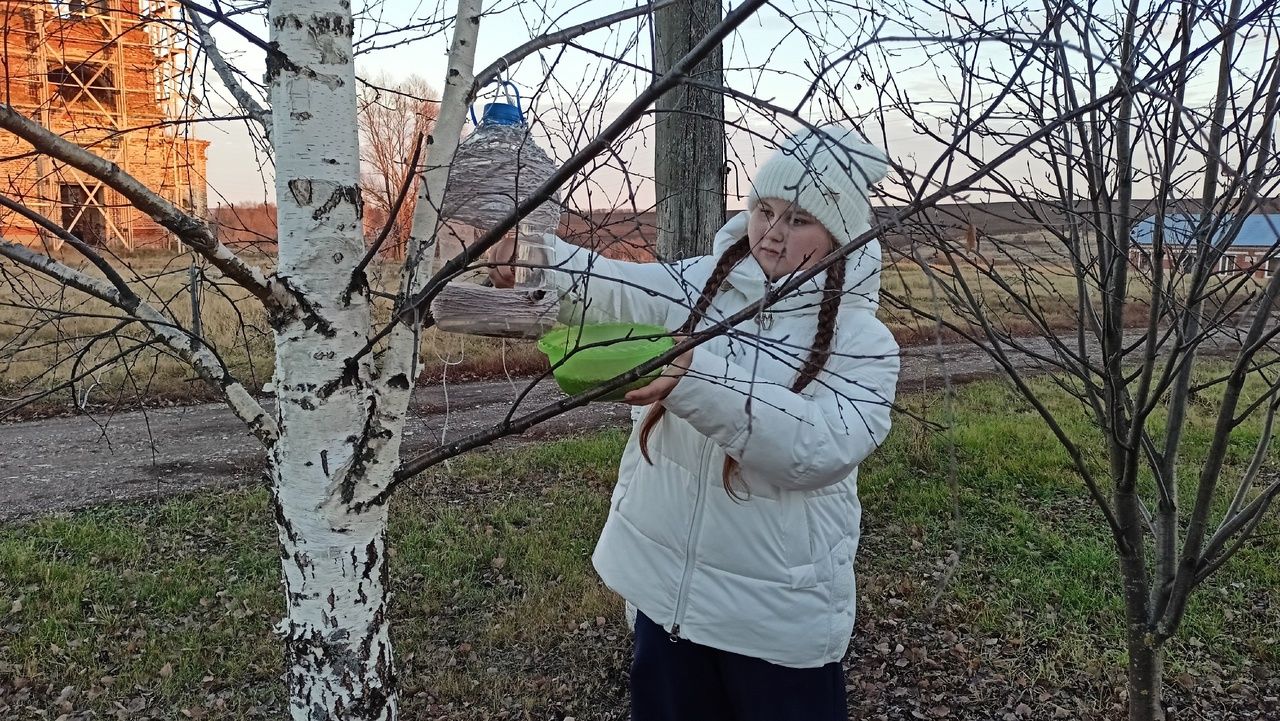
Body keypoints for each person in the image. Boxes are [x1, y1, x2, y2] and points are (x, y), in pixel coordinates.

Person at [488, 125, 899, 721]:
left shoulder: (862, 343)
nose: (775, 235)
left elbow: (817, 447)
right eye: (765, 210)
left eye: (800, 220)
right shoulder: (704, 284)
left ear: (840, 231)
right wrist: (532, 258)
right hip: (668, 609)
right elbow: (615, 288)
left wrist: (694, 374)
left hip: (775, 629)